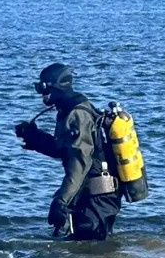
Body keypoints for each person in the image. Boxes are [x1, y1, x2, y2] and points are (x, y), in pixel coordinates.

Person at [14, 63, 121, 240]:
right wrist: (35, 138)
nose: (42, 94)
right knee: (87, 253)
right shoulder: (67, 110)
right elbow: (63, 150)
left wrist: (60, 201)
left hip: (97, 198)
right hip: (90, 196)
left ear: (59, 85)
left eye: (44, 87)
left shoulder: (77, 115)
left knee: (90, 255)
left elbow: (80, 163)